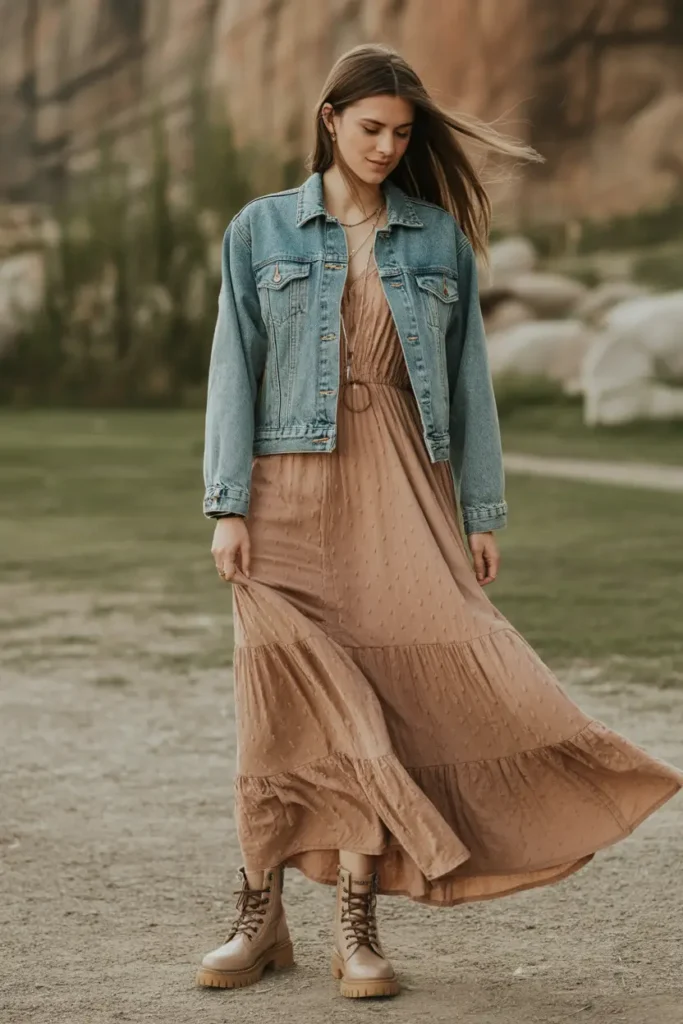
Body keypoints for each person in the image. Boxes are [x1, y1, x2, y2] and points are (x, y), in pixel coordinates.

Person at [196, 43, 683, 999]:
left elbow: (470, 388)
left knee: (402, 689)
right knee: (279, 708)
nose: (385, 146)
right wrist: (226, 505)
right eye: (370, 128)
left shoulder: (436, 240)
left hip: (402, 492)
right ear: (329, 120)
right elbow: (231, 372)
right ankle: (258, 914)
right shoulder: (258, 232)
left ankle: (356, 926)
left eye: (401, 134)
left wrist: (480, 513)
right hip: (284, 490)